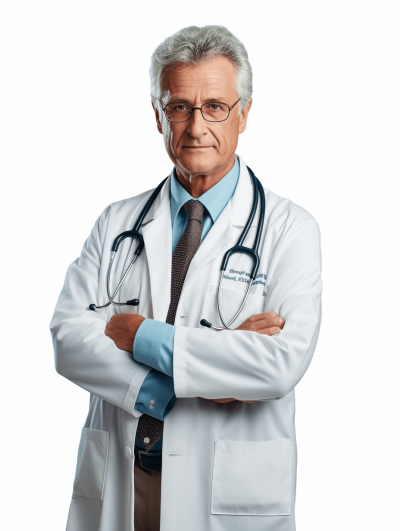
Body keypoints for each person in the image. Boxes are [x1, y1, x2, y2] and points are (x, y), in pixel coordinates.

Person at [50, 25, 322, 531]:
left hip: (224, 490)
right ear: (157, 115)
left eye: (215, 106)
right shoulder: (116, 222)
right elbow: (69, 339)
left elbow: (278, 365)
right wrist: (207, 365)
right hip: (124, 480)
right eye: (179, 106)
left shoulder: (290, 229)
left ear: (244, 113)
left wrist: (142, 336)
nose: (197, 126)